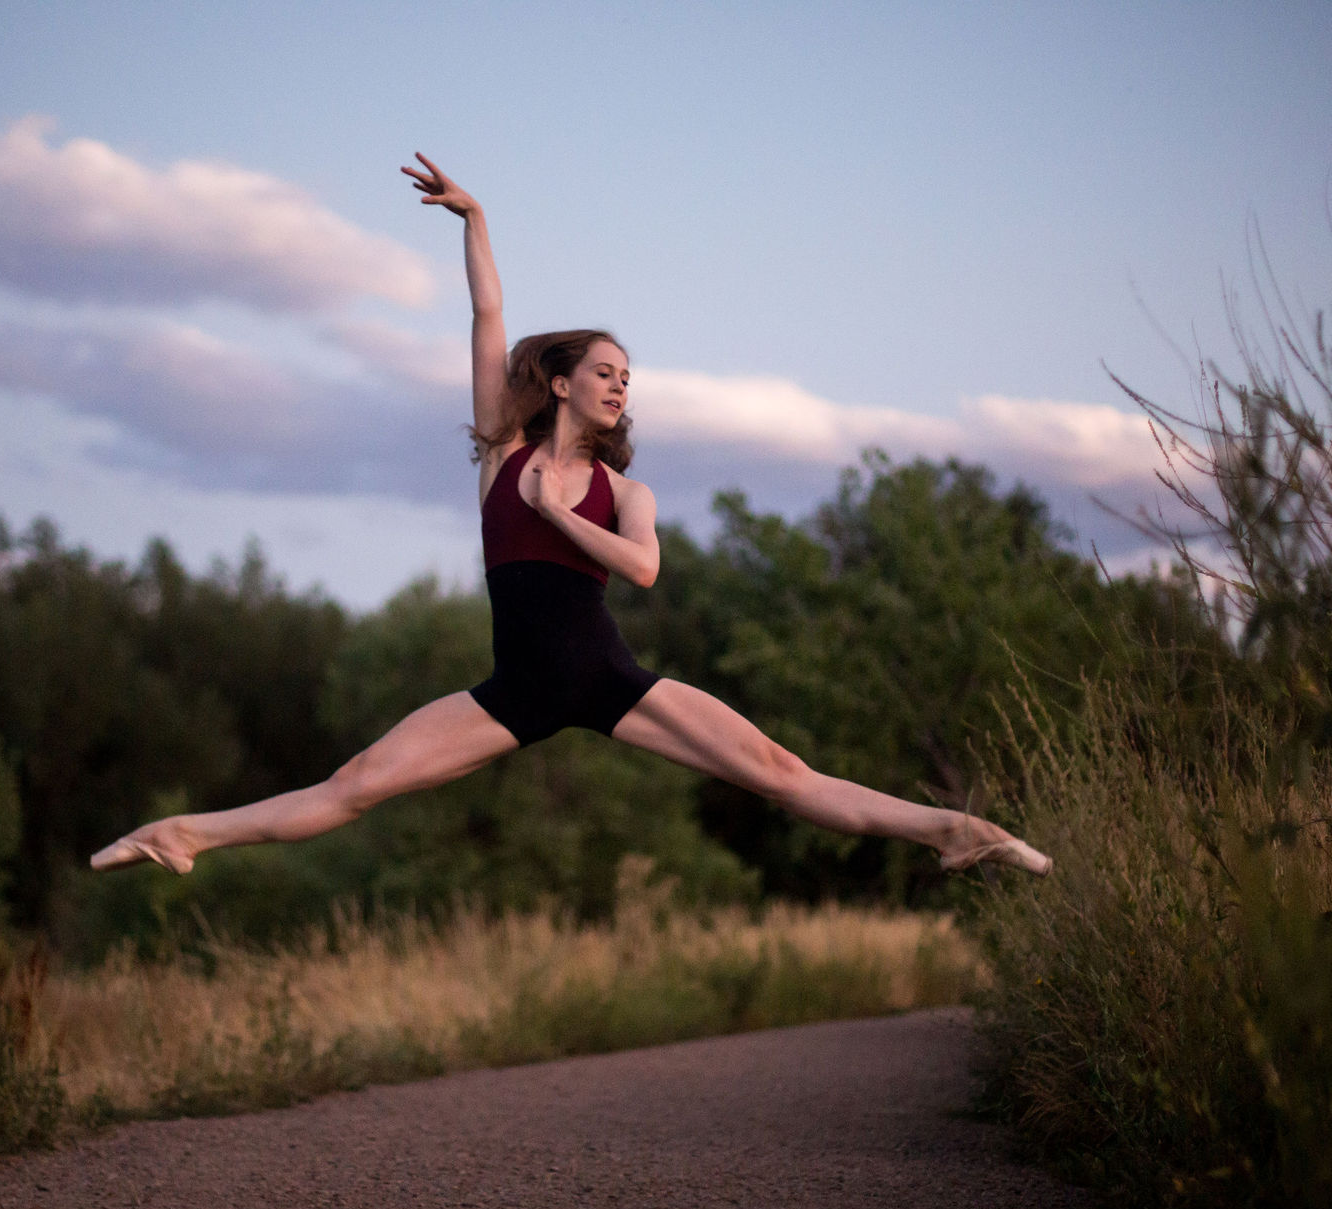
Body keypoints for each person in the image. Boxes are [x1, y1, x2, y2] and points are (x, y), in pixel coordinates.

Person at [91, 154, 1050, 880]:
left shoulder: (626, 492)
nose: (619, 386)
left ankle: (954, 830)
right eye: (603, 371)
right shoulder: (502, 459)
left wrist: (560, 517)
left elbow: (641, 572)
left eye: (628, 380)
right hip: (514, 691)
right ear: (560, 384)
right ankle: (183, 834)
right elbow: (486, 320)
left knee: (779, 771)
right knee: (355, 785)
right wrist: (476, 219)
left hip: (608, 680)